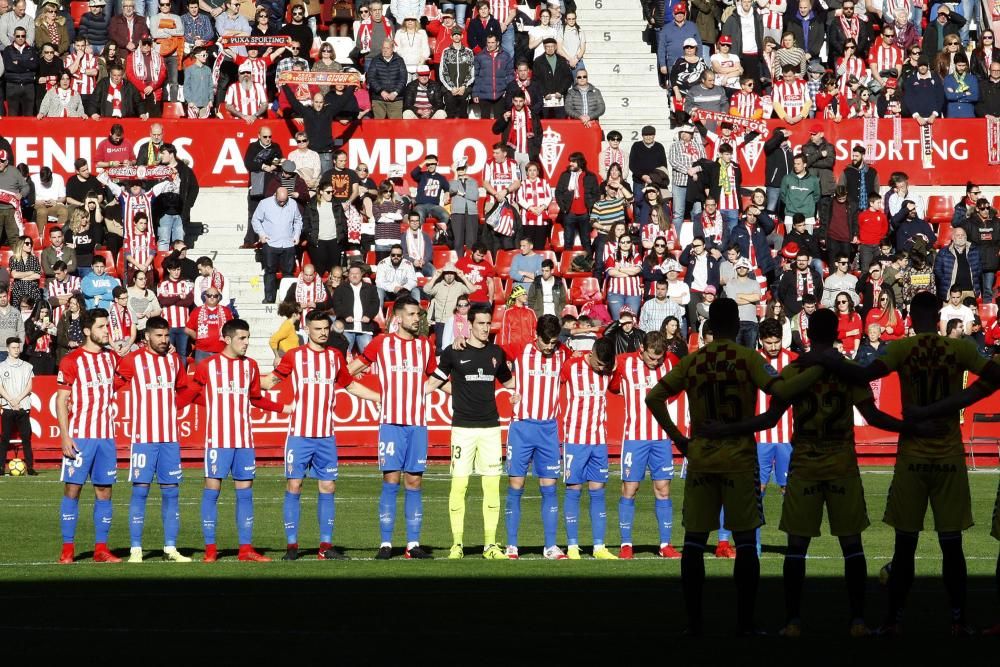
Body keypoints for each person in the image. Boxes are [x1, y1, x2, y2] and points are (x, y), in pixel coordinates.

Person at [712, 308, 919, 637]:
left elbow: (768, 419)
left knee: (797, 547)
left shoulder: (796, 369)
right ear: (837, 331)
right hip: (841, 465)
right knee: (852, 545)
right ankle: (857, 621)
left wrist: (729, 428)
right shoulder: (849, 371)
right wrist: (910, 427)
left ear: (807, 332)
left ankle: (793, 621)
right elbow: (874, 416)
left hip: (805, 464)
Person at [811, 291, 1000, 636]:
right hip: (949, 456)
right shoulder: (959, 349)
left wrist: (833, 362)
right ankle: (958, 620)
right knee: (952, 542)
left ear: (911, 318)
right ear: (939, 320)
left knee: (905, 542)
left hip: (912, 453)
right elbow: (992, 378)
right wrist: (952, 403)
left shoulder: (901, 349)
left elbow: (864, 374)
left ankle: (893, 621)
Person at [645, 297, 819, 635]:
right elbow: (780, 389)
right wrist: (765, 420)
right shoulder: (748, 358)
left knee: (694, 542)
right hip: (739, 458)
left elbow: (654, 397)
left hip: (702, 459)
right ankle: (745, 621)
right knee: (744, 542)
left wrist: (681, 440)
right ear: (738, 325)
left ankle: (694, 621)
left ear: (711, 326)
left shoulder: (694, 361)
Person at [263, 310, 381, 561]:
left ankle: (325, 547)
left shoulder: (335, 357)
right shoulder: (295, 356)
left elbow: (350, 385)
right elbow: (270, 382)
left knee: (328, 486)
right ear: (307, 330)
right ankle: (292, 547)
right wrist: (240, 378)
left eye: (326, 328)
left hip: (326, 435)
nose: (323, 332)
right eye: (317, 329)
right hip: (299, 434)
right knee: (294, 485)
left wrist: (380, 398)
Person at [177, 319, 290, 563]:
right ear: (227, 339)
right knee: (212, 491)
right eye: (242, 338)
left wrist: (283, 408)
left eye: (248, 338)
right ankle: (210, 549)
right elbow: (190, 393)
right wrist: (167, 407)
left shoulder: (250, 366)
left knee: (245, 492)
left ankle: (245, 549)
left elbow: (256, 398)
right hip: (218, 440)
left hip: (244, 441)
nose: (247, 343)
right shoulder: (207, 365)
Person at [347, 296, 435, 559]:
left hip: (418, 424)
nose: (416, 319)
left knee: (414, 481)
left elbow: (437, 379)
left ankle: (412, 544)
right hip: (391, 423)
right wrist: (376, 396)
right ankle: (386, 544)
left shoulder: (425, 346)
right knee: (391, 480)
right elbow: (348, 372)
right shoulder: (381, 343)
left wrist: (467, 393)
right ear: (397, 317)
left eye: (418, 314)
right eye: (411, 314)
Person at [426, 304, 515, 560]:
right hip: (462, 429)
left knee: (491, 488)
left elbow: (510, 382)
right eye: (481, 324)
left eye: (488, 323)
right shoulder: (455, 352)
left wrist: (519, 393)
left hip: (490, 428)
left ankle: (490, 545)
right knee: (459, 486)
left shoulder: (497, 353)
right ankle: (457, 544)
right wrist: (411, 397)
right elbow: (434, 381)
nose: (486, 328)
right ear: (470, 325)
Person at [112, 317, 190, 563]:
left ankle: (170, 548)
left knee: (171, 492)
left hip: (170, 438)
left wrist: (171, 408)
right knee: (141, 491)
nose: (164, 340)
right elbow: (113, 384)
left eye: (166, 336)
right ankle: (136, 549)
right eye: (159, 336)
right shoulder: (133, 360)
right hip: (144, 437)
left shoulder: (175, 360)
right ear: (146, 337)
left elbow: (183, 389)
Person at [609, 330, 683, 560]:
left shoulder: (670, 363)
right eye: (651, 358)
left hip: (661, 438)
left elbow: (677, 388)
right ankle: (626, 544)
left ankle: (665, 544)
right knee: (630, 489)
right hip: (635, 438)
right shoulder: (624, 363)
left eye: (658, 359)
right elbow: (613, 386)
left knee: (663, 490)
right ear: (641, 350)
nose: (655, 362)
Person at [500, 314, 567, 559]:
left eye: (554, 342)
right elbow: (492, 357)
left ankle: (550, 546)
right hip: (521, 428)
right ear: (536, 336)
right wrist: (509, 387)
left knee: (549, 487)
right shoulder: (520, 349)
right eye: (546, 342)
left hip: (549, 429)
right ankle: (512, 545)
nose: (550, 347)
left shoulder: (563, 352)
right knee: (516, 485)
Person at [56, 308, 120, 564]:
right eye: (102, 327)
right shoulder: (72, 361)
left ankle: (101, 549)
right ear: (87, 331)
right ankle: (68, 549)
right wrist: (64, 435)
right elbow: (62, 400)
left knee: (104, 491)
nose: (107, 331)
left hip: (106, 436)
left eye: (107, 326)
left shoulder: (111, 359)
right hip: (81, 436)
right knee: (73, 490)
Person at [560, 336, 618, 560]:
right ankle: (572, 546)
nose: (602, 368)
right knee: (574, 490)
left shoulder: (609, 370)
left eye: (606, 365)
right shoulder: (571, 366)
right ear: (591, 353)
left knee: (598, 492)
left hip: (599, 440)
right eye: (599, 364)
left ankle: (599, 546)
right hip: (575, 439)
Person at [252, 188, 303, 304]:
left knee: (288, 272)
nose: (282, 203)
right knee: (270, 271)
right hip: (270, 243)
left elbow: (298, 220)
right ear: (275, 195)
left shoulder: (293, 203)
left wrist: (297, 235)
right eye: (280, 201)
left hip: (288, 243)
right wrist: (261, 234)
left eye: (284, 201)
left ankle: (288, 299)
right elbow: (255, 220)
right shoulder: (264, 203)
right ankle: (269, 298)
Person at [0, 338, 34, 476]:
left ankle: (30, 467)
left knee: (26, 438)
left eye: (17, 347)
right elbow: (0, 387)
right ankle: (1, 467)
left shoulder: (27, 366)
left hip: (22, 406)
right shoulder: (1, 366)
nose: (16, 350)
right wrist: (11, 400)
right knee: (4, 438)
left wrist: (18, 400)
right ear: (7, 349)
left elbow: (29, 386)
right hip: (8, 407)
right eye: (13, 347)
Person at [555, 151, 599, 253]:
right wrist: (564, 208)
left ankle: (588, 265)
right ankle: (567, 266)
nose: (571, 164)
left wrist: (590, 206)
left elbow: (596, 194)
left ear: (580, 162)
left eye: (573, 161)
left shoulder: (590, 176)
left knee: (586, 242)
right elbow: (558, 192)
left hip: (585, 214)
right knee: (568, 242)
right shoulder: (565, 175)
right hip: (569, 213)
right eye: (570, 161)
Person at [333, 262, 380, 354]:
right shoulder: (340, 289)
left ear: (361, 275)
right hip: (346, 328)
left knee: (369, 354)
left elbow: (375, 304)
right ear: (348, 275)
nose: (354, 276)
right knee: (344, 354)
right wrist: (345, 315)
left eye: (357, 274)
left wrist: (368, 315)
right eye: (352, 274)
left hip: (365, 328)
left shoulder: (371, 288)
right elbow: (337, 304)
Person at [184, 286, 232, 363]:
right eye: (209, 295)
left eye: (215, 296)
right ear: (205, 296)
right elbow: (187, 329)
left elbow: (232, 329)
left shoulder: (226, 311)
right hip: (202, 351)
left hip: (222, 350)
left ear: (219, 297)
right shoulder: (197, 311)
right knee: (202, 374)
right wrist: (197, 337)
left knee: (220, 374)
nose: (212, 297)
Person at [366, 39, 408, 119]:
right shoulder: (375, 60)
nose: (385, 50)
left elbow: (403, 78)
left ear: (392, 49)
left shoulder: (399, 60)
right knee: (379, 127)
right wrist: (381, 91)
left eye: (387, 48)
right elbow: (371, 78)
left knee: (395, 127)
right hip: (379, 99)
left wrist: (395, 93)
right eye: (383, 48)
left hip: (396, 99)